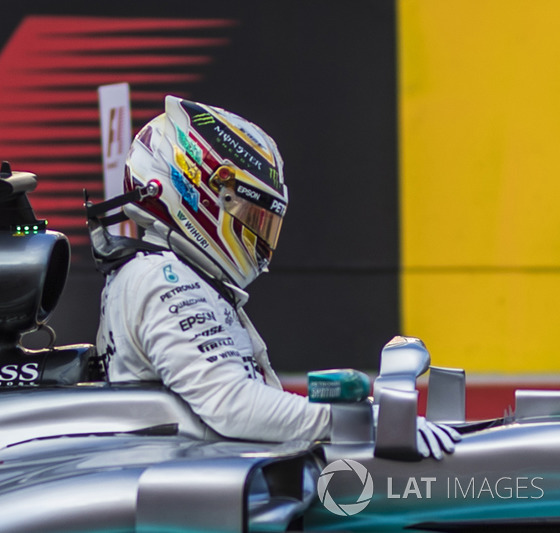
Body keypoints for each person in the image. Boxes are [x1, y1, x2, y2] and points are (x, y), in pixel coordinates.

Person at [90, 95, 458, 455]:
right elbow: (231, 405)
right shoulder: (163, 277)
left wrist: (364, 414)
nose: (258, 234)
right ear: (194, 193)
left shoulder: (169, 274)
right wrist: (366, 424)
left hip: (207, 491)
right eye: (250, 215)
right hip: (194, 503)